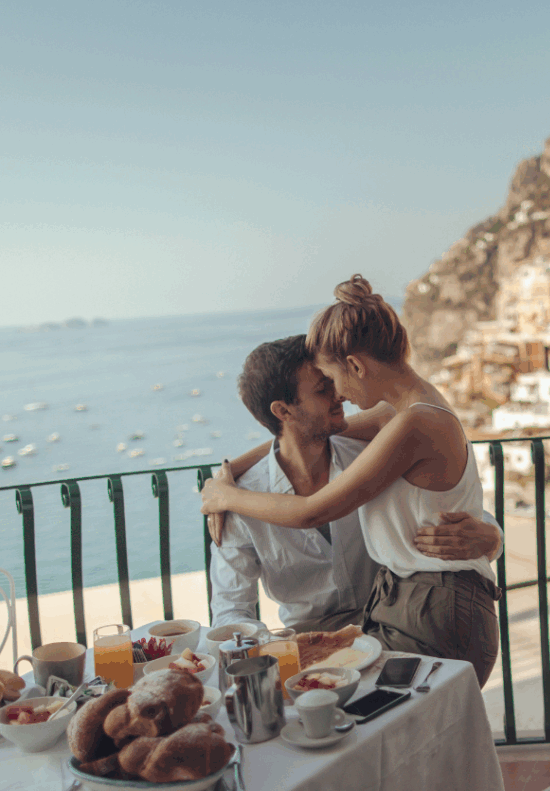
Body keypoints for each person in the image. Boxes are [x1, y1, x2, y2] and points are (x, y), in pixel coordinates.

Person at [201, 275, 502, 686]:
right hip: (404, 610)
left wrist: (227, 496)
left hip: (431, 607)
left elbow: (312, 511)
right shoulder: (398, 415)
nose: (339, 395)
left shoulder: (406, 425)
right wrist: (232, 472)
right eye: (324, 388)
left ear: (356, 366)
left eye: (333, 380)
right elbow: (308, 435)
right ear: (283, 412)